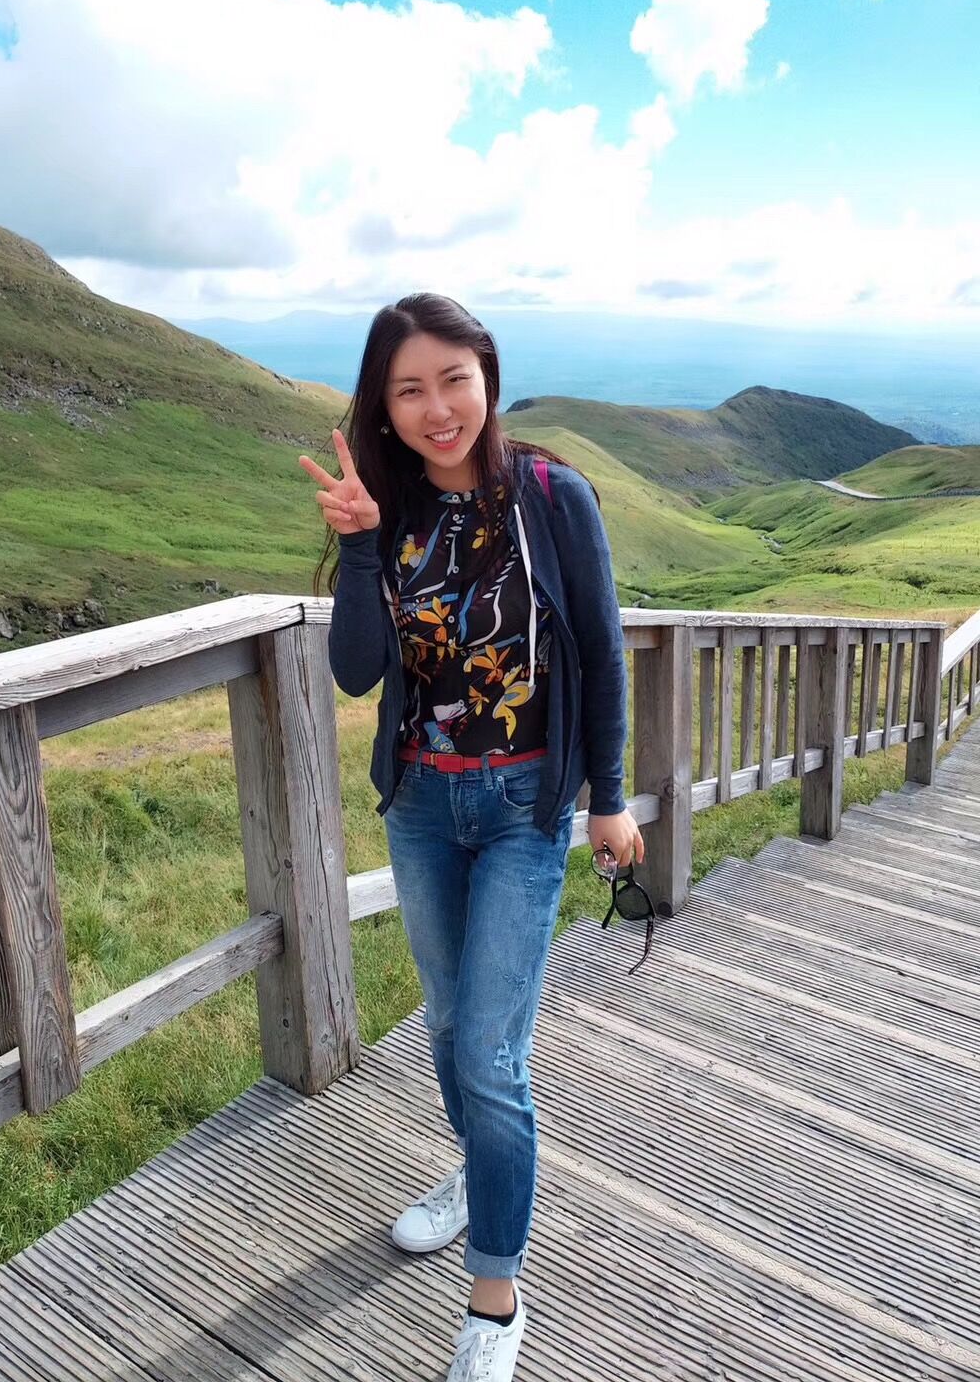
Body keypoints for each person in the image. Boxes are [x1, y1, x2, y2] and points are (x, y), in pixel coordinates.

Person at [299, 292, 642, 1381]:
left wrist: (609, 795)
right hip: (422, 807)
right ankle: (475, 1173)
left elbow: (602, 652)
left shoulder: (551, 496)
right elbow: (358, 671)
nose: (437, 407)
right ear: (383, 407)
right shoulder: (390, 509)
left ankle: (495, 1300)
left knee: (490, 1052)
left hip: (523, 808)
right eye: (410, 390)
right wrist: (360, 547)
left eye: (454, 379)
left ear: (488, 376)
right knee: (448, 1026)